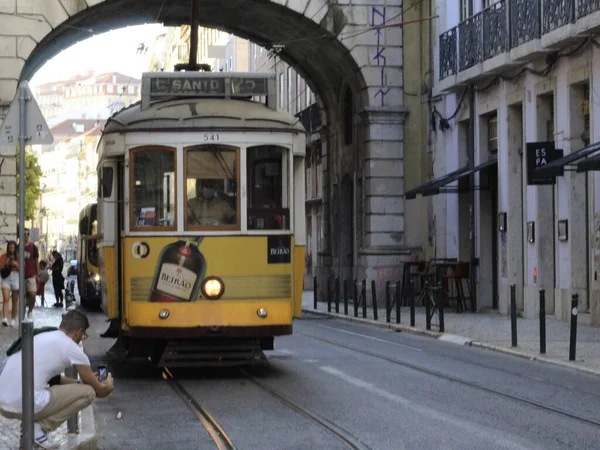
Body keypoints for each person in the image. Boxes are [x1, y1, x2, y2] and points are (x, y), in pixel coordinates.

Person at [0, 310, 115, 447]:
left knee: (76, 387)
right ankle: (38, 429)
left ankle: (30, 431)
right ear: (79, 332)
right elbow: (98, 390)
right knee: (89, 393)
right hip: (23, 405)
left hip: (4, 404)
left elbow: (56, 380)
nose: (82, 338)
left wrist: (80, 381)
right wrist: (107, 385)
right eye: (83, 335)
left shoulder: (43, 336)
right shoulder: (71, 348)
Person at [0, 241, 19, 326]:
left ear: (15, 248)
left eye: (13, 248)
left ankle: (13, 319)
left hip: (16, 277)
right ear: (8, 248)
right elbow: (0, 267)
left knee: (14, 300)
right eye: (10, 248)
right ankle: (5, 318)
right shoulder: (4, 256)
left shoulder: (18, 256)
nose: (11, 249)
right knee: (6, 298)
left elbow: (23, 268)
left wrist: (16, 264)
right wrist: (6, 263)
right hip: (6, 278)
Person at [23, 228, 39, 319]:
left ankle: (30, 310)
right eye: (24, 234)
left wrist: (37, 275)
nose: (26, 236)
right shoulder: (18, 247)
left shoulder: (33, 247)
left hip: (31, 274)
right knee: (23, 297)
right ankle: (23, 313)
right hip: (21, 276)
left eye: (27, 234)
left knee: (32, 293)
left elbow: (36, 261)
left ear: (29, 235)